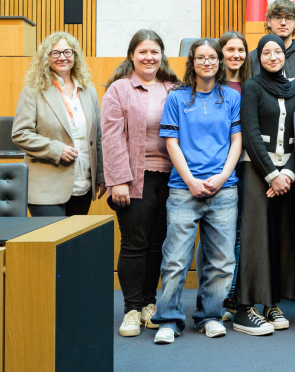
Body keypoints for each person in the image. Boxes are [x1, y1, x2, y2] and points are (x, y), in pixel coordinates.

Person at [152, 39, 242, 344]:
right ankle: (168, 318)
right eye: (201, 58)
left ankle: (211, 316)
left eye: (212, 58)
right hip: (183, 190)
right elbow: (171, 143)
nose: (207, 62)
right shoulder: (177, 99)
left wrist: (223, 176)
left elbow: (237, 142)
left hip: (223, 190)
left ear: (219, 62)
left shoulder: (230, 97)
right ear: (192, 62)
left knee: (221, 260)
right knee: (176, 259)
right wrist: (190, 180)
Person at [102, 30, 181, 338]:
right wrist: (118, 180)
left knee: (157, 244)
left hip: (171, 179)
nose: (149, 57)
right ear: (132, 55)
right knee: (135, 244)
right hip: (135, 179)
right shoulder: (120, 89)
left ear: (162, 56)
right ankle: (132, 309)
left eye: (154, 51)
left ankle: (150, 304)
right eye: (143, 51)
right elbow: (111, 139)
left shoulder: (173, 88)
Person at [232, 34, 295, 336]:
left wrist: (287, 174)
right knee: (256, 236)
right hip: (256, 172)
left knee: (282, 236)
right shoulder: (251, 86)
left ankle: (271, 303)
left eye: (278, 51)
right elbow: (249, 133)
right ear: (258, 57)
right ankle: (245, 307)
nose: (273, 56)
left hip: (289, 175)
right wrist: (271, 175)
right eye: (266, 52)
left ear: (285, 56)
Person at [248, 0, 295, 304]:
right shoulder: (254, 59)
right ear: (268, 23)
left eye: (289, 17)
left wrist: (288, 171)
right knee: (260, 231)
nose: (283, 22)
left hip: (294, 159)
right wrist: (271, 173)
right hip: (261, 163)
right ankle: (263, 292)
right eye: (277, 17)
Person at [12, 32, 105, 216]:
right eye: (55, 53)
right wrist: (56, 149)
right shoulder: (33, 91)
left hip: (83, 185)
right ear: (46, 57)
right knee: (53, 244)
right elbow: (20, 133)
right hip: (46, 189)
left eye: (67, 52)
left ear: (75, 55)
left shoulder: (89, 91)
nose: (62, 57)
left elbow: (98, 137)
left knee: (73, 244)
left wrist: (100, 175)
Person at [213, 30, 252, 319]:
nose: (236, 55)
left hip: (244, 165)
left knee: (237, 233)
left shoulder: (251, 85)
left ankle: (232, 296)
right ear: (219, 52)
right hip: (214, 166)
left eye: (241, 50)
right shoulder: (208, 84)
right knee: (215, 234)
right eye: (230, 50)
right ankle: (212, 296)